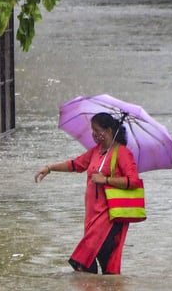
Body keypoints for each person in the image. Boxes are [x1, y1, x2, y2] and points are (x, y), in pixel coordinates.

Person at [35, 112, 141, 274]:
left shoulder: (122, 153)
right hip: (92, 215)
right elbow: (75, 165)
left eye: (97, 131)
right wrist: (50, 168)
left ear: (109, 131)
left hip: (110, 216)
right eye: (92, 130)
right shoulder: (95, 151)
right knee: (94, 259)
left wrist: (105, 180)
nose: (94, 135)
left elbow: (133, 181)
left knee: (85, 260)